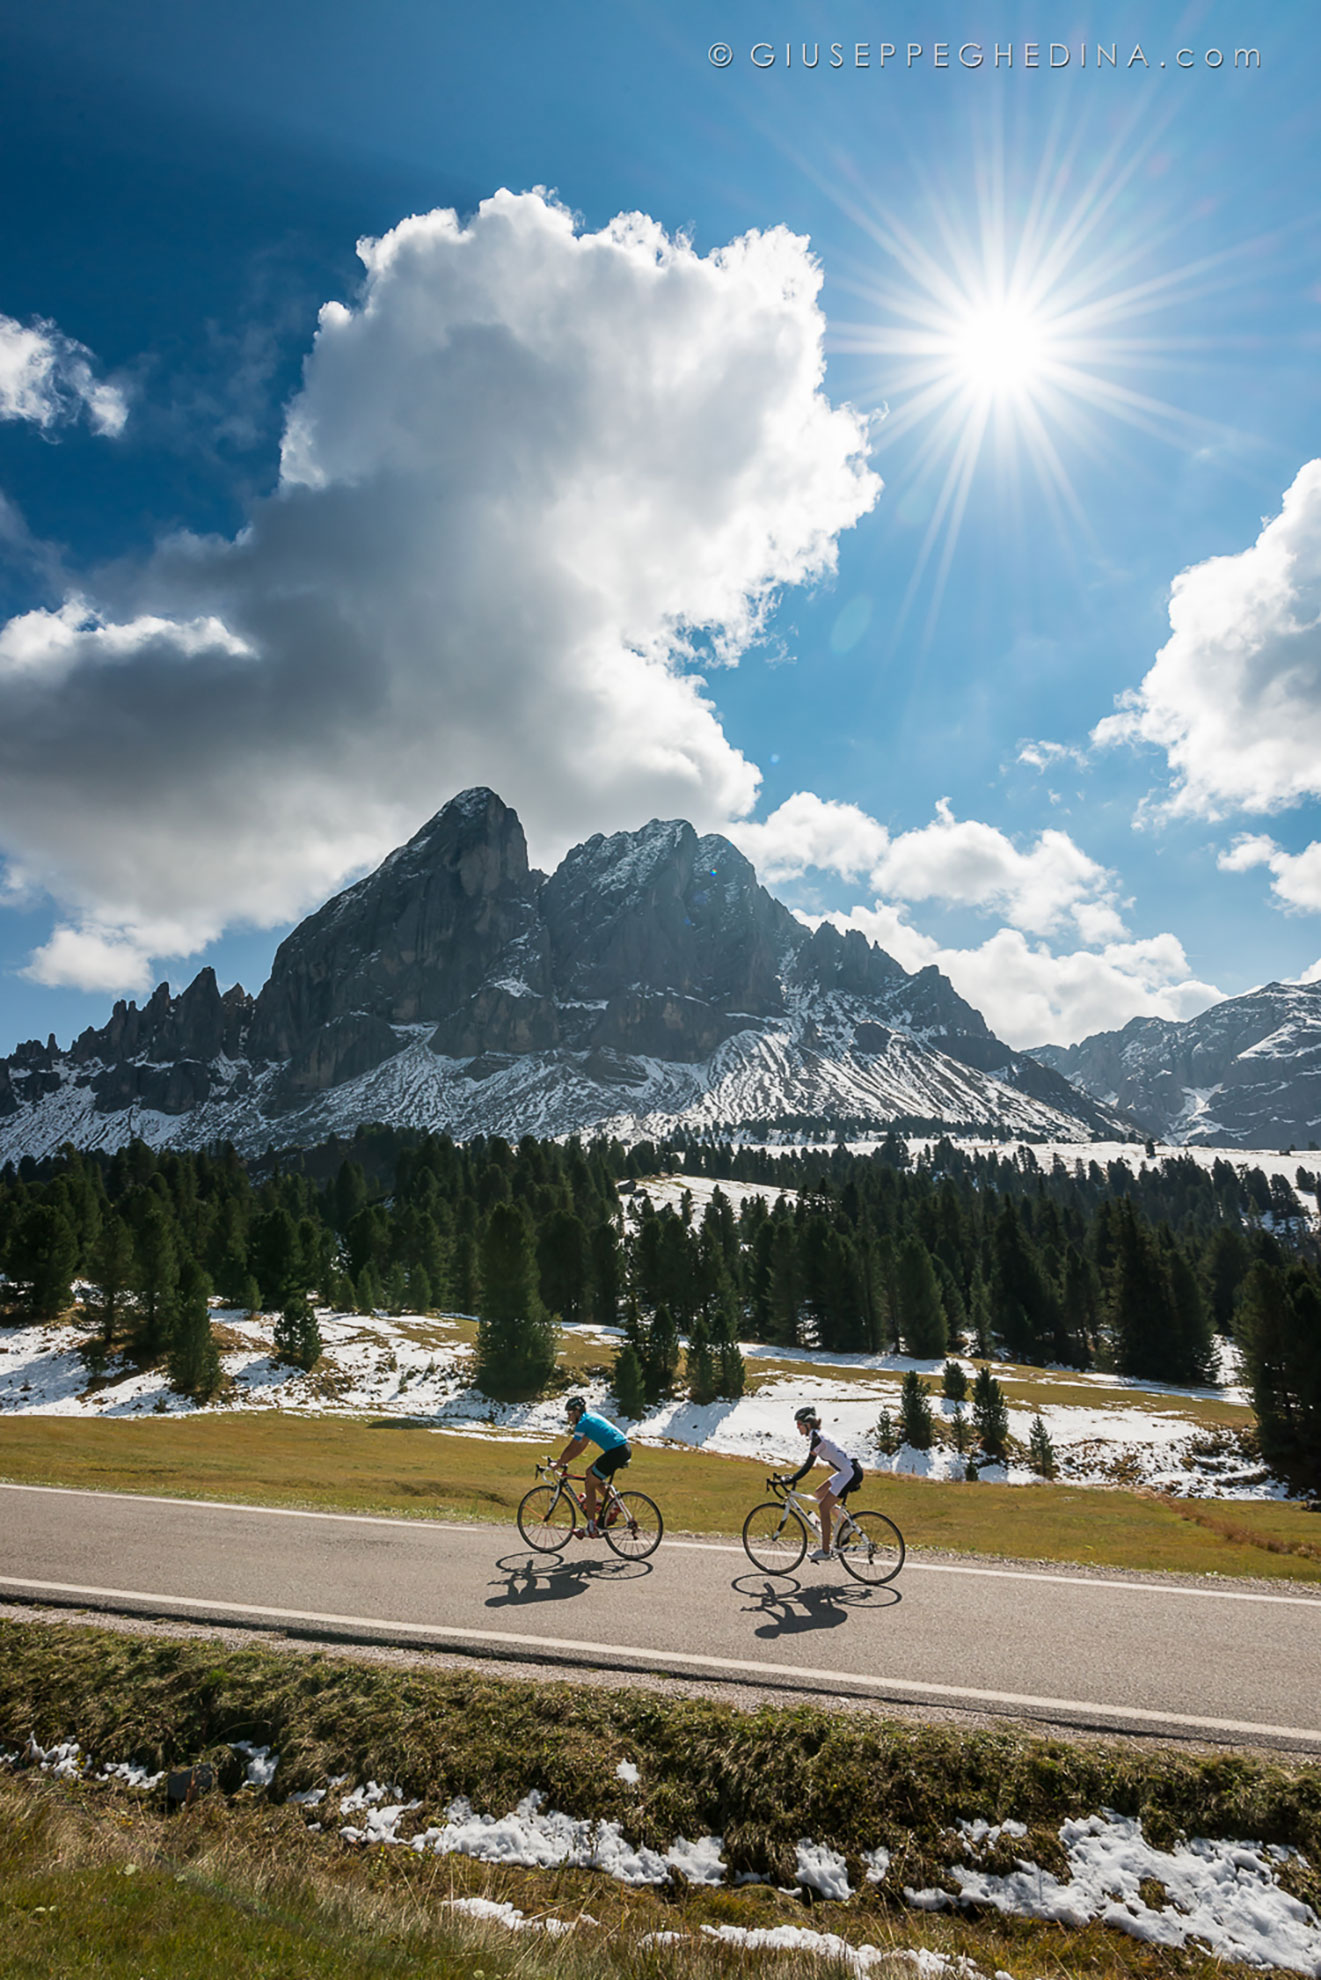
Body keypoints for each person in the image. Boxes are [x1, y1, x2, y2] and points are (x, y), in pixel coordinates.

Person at [784, 1404, 864, 1561]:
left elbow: (808, 1465)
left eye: (799, 1424)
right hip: (847, 1470)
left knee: (823, 1507)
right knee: (819, 1493)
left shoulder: (817, 1439)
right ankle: (846, 1524)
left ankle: (826, 1550)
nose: (797, 1427)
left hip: (849, 1473)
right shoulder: (818, 1434)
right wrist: (792, 1478)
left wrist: (792, 1479)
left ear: (807, 1424)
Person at [555, 1395, 631, 1538]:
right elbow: (580, 1446)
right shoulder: (589, 1418)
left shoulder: (583, 1423)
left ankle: (591, 1527)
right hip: (621, 1448)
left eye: (570, 1413)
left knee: (589, 1483)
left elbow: (572, 1446)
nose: (569, 1417)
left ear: (577, 1411)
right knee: (590, 1472)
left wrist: (558, 1463)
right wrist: (564, 1461)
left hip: (616, 1451)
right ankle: (612, 1504)